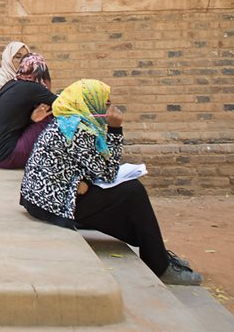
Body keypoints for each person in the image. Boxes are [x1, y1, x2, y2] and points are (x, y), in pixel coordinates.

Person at [19, 79, 203, 285]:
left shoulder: (68, 120)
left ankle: (157, 253)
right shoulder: (78, 129)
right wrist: (115, 130)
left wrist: (83, 180)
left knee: (123, 196)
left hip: (40, 199)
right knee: (133, 191)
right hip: (51, 203)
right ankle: (159, 265)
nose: (108, 108)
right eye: (105, 103)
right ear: (89, 102)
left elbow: (85, 166)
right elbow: (107, 173)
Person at [0, 52, 58, 169]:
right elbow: (64, 104)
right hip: (10, 156)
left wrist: (32, 120)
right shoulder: (33, 88)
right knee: (52, 115)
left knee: (42, 113)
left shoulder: (10, 84)